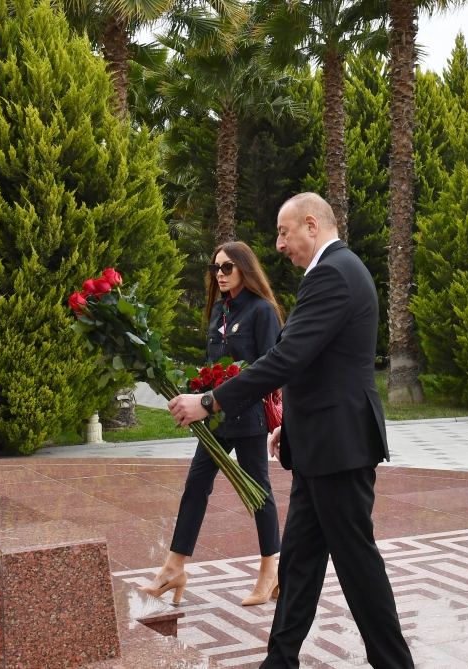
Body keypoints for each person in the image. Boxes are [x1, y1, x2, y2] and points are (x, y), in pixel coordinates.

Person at [168, 193, 414, 668]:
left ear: (310, 225)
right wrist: (294, 427)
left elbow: (286, 358)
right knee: (299, 564)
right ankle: (279, 662)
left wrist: (210, 401)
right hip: (323, 443)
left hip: (339, 447)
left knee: (358, 567)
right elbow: (321, 364)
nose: (279, 245)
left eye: (283, 232)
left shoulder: (333, 274)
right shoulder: (339, 271)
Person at [141, 241, 283, 607]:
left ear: (244, 269)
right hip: (216, 418)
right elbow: (212, 364)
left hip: (248, 418)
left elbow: (269, 371)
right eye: (215, 268)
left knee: (258, 493)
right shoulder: (220, 310)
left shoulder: (262, 311)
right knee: (195, 485)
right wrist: (195, 400)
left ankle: (271, 571)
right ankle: (174, 567)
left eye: (227, 268)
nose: (219, 274)